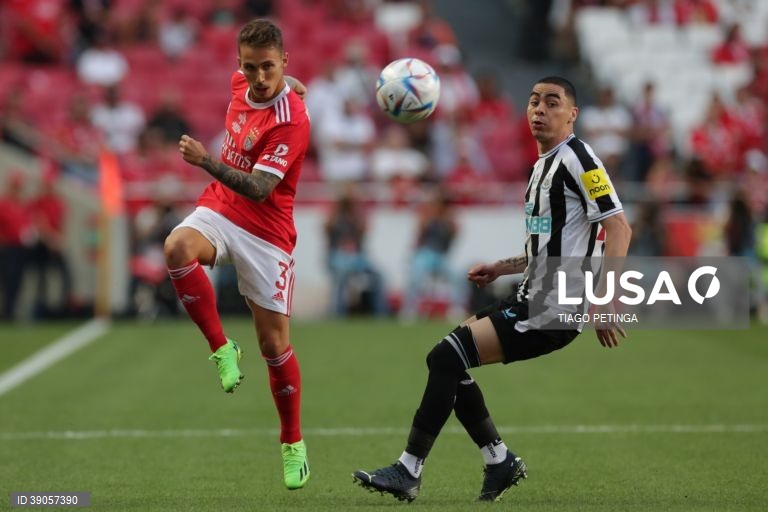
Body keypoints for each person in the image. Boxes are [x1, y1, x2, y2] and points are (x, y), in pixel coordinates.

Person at [352, 76, 632, 503]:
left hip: (555, 306)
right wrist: (503, 267)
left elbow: (617, 225)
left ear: (572, 114)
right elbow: (544, 243)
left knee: (446, 356)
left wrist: (608, 297)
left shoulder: (579, 158)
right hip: (531, 295)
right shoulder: (542, 167)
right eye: (534, 100)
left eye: (552, 103)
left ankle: (410, 470)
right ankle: (498, 460)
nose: (539, 109)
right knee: (446, 361)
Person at [163, 19, 311, 491]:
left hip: (266, 232)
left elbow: (262, 189)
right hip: (221, 209)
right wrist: (292, 82)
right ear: (239, 65)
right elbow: (285, 83)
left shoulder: (293, 121)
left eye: (269, 68)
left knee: (273, 346)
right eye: (251, 68)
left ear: (284, 61)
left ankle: (293, 444)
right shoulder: (241, 83)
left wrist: (207, 160)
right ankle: (221, 349)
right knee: (176, 248)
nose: (260, 79)